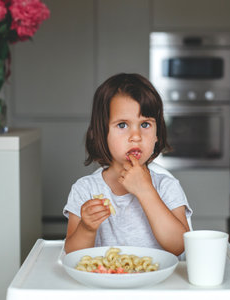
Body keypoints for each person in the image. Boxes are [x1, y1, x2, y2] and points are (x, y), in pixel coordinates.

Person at [63, 73, 192, 256]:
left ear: (157, 134)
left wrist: (146, 191)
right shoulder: (85, 190)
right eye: (123, 125)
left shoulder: (166, 187)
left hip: (157, 283)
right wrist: (87, 228)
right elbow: (72, 254)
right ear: (102, 133)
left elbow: (180, 245)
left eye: (145, 124)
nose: (136, 136)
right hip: (104, 282)